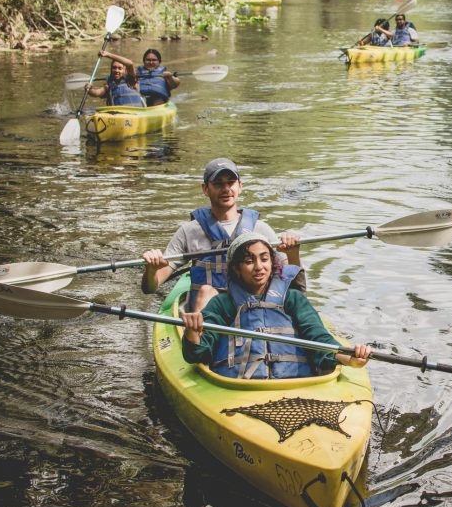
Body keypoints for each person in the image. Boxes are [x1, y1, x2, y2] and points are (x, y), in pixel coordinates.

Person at [180, 233, 371, 379]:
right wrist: (192, 333)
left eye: (264, 259)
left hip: (298, 383)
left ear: (273, 263)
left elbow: (317, 338)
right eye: (248, 261)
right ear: (236, 269)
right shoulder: (223, 303)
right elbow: (198, 354)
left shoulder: (292, 298)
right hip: (239, 388)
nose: (259, 267)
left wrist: (348, 358)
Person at [141, 158, 303, 312]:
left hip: (251, 308)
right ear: (205, 189)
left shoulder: (261, 230)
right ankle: (201, 336)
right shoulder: (189, 231)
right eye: (218, 184)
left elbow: (295, 288)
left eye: (231, 183)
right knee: (205, 291)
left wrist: (293, 253)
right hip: (206, 312)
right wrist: (151, 270)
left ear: (240, 186)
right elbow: (150, 288)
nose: (226, 189)